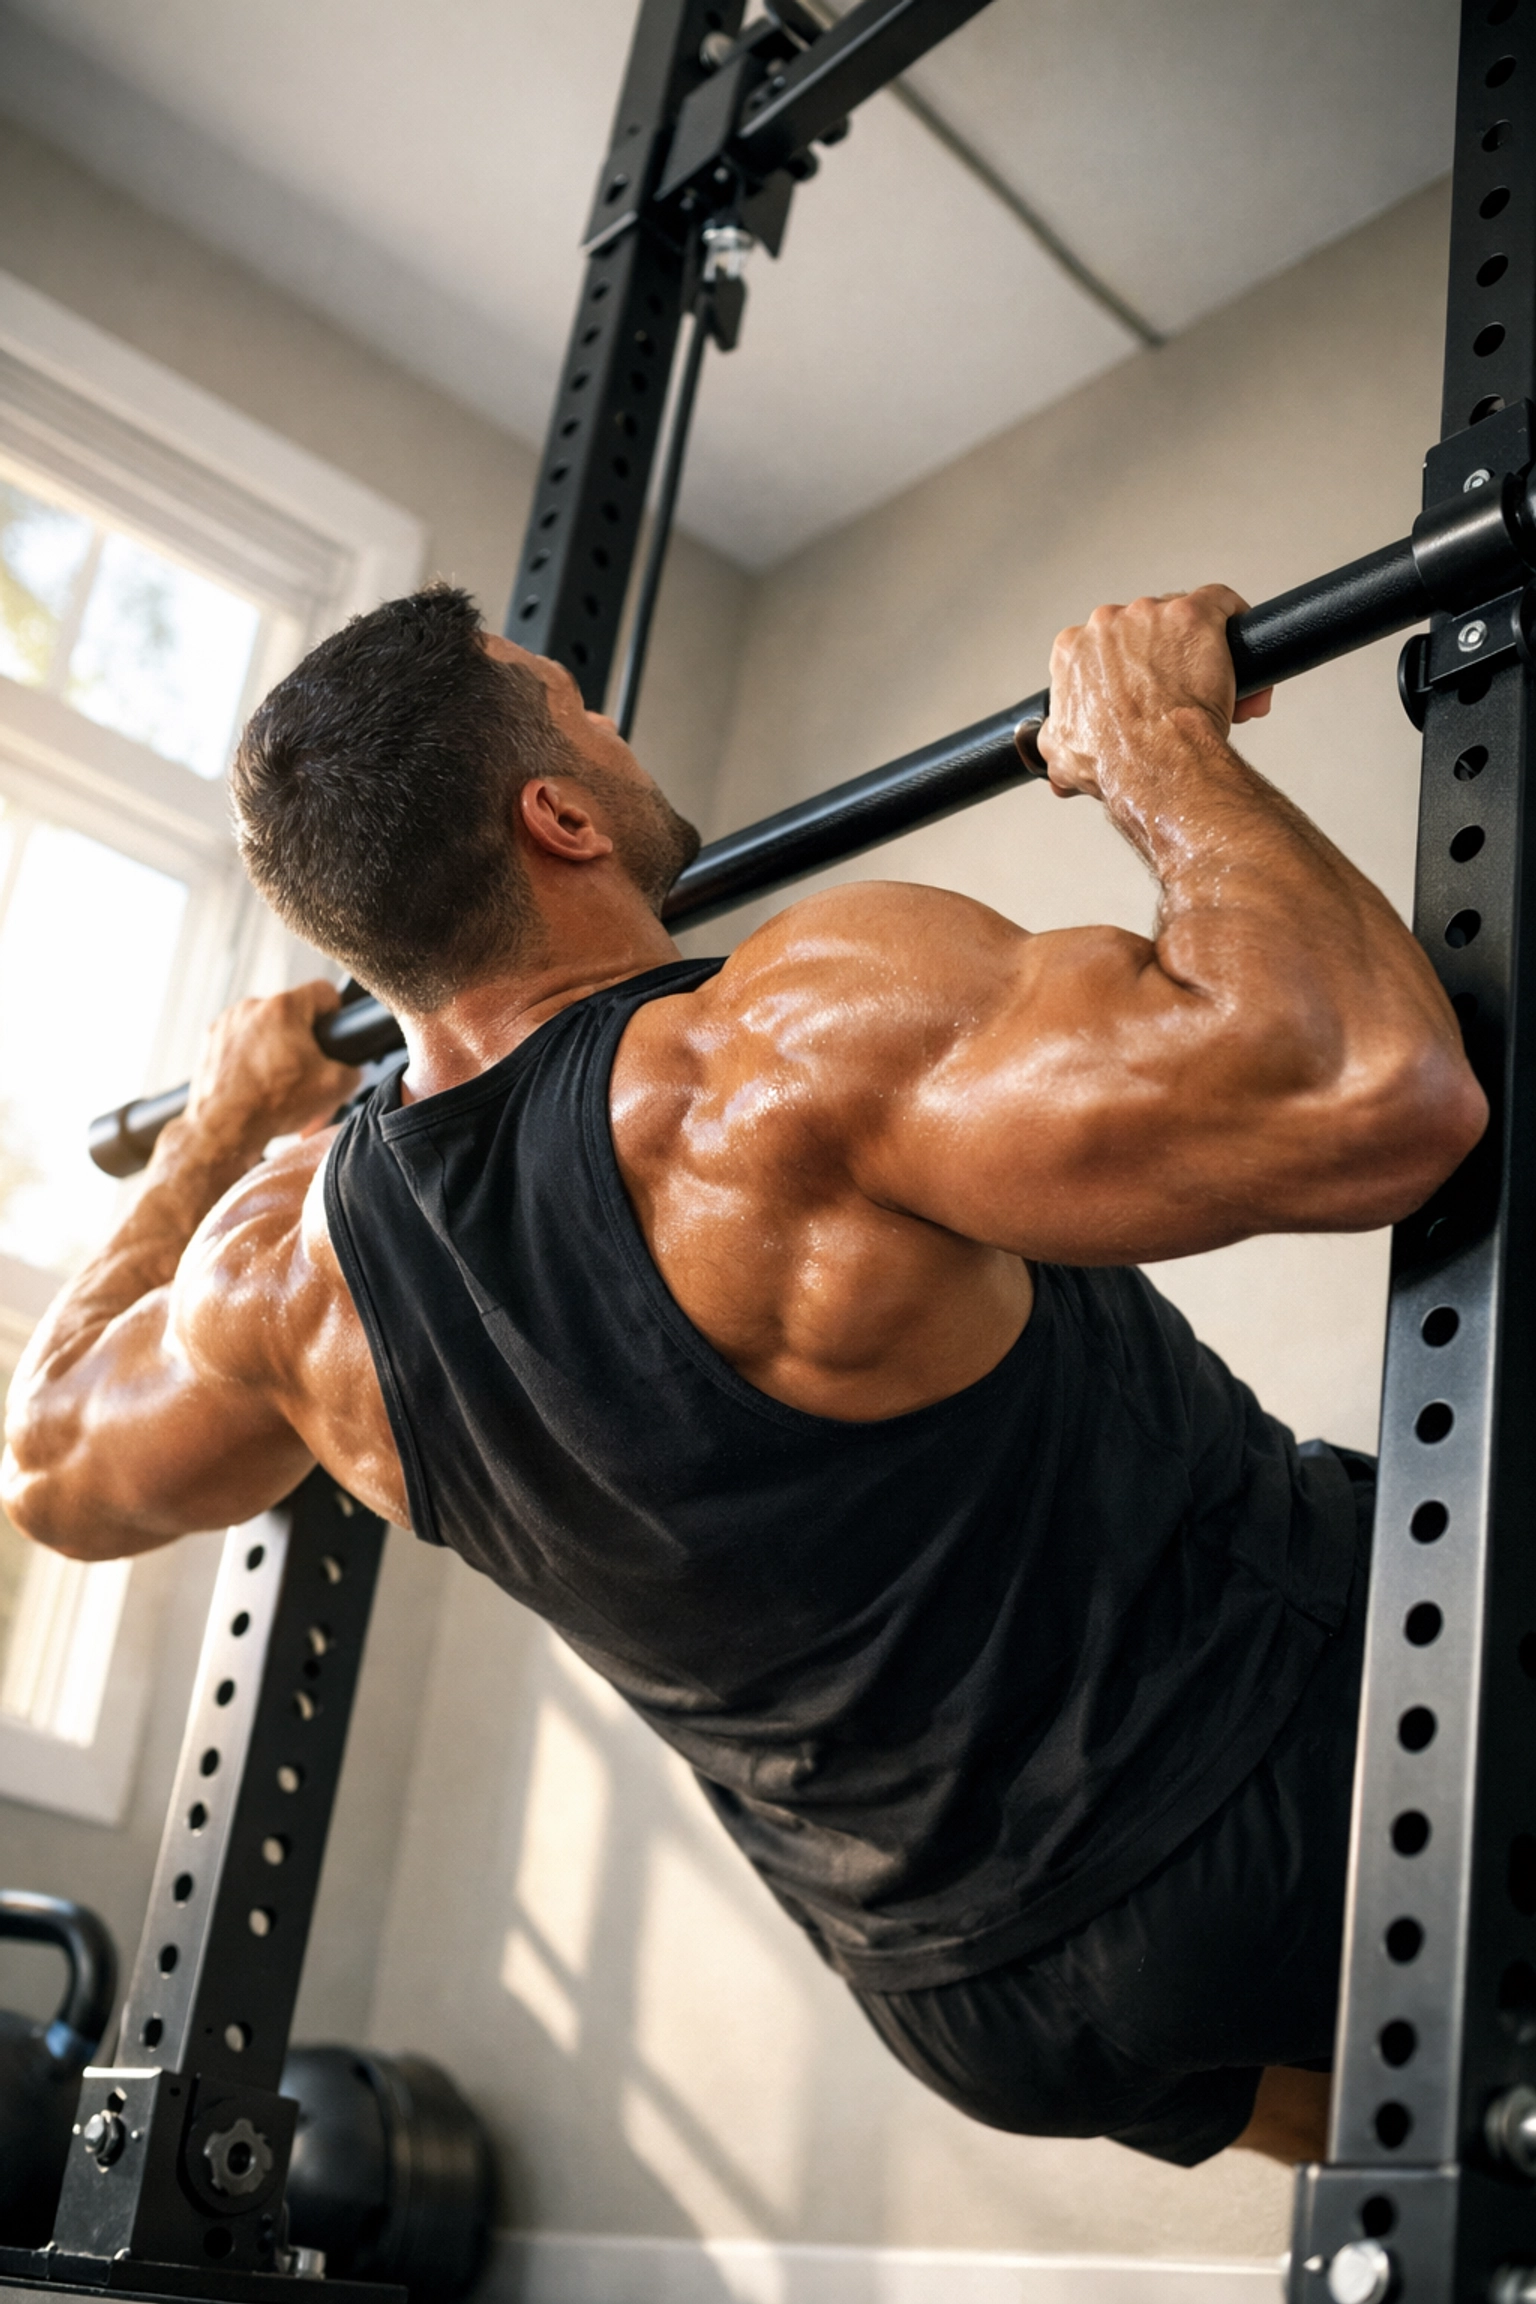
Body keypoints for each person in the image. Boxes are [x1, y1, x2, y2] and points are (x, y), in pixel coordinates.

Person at [2, 583, 1483, 2170]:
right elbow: (1374, 1093)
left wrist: (217, 1125)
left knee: (1460, 2180)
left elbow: (47, 1470)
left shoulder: (282, 1274)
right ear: (559, 814)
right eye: (578, 705)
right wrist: (1156, 744)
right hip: (1285, 1760)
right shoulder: (766, 1047)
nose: (610, 727)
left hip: (974, 2003)